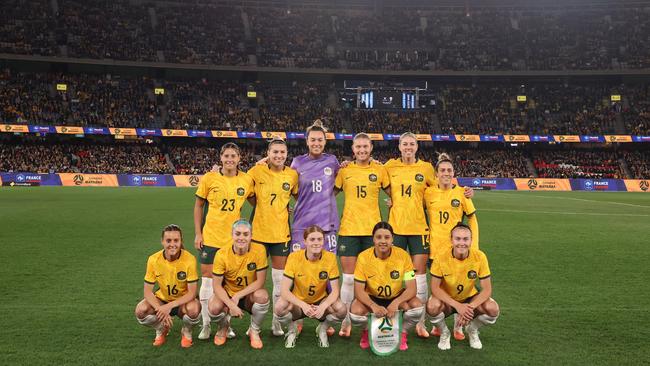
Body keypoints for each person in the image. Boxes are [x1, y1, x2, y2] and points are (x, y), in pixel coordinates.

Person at [384, 133, 473, 338]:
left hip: (419, 230)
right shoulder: (389, 166)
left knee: (419, 276)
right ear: (399, 146)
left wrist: (463, 191)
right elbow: (379, 181)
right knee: (396, 274)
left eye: (412, 144)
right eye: (405, 144)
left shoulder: (425, 168)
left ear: (417, 147)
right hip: (396, 229)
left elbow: (441, 187)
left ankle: (420, 322)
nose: (408, 147)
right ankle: (392, 316)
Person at [194, 142, 255, 340]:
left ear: (239, 158)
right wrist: (198, 233)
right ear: (220, 158)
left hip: (234, 241)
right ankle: (205, 324)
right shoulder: (209, 178)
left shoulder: (246, 180)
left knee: (226, 283)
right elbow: (198, 206)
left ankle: (225, 324)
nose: (230, 159)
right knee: (207, 281)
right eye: (226, 156)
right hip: (211, 237)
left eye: (233, 156)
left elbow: (257, 201)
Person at [334, 132, 390, 337]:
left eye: (365, 147)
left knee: (370, 279)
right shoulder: (345, 170)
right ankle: (346, 322)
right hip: (348, 230)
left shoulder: (380, 169)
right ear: (353, 149)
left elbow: (396, 193)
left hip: (373, 234)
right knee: (348, 279)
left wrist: (392, 203)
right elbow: (327, 195)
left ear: (371, 148)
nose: (362, 150)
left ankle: (369, 321)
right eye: (358, 147)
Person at [247, 137, 299, 336]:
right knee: (255, 282)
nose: (279, 155)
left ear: (287, 155)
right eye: (275, 152)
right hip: (258, 234)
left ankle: (276, 322)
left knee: (279, 282)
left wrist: (287, 209)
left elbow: (298, 197)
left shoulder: (292, 175)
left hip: (280, 234)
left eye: (282, 152)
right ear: (268, 153)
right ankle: (254, 325)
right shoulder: (256, 171)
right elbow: (248, 194)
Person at [424, 153, 479, 340]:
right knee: (438, 290)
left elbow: (472, 218)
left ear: (453, 172)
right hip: (435, 251)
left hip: (458, 251)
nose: (446, 173)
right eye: (442, 170)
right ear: (436, 173)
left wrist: (475, 246)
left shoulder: (462, 193)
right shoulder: (428, 192)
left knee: (459, 289)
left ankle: (458, 327)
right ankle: (438, 326)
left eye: (449, 170)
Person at [348, 221, 424, 351]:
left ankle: (402, 333)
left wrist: (396, 302)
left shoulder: (403, 256)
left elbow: (412, 288)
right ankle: (367, 332)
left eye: (387, 237)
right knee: (355, 313)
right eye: (379, 237)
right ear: (373, 239)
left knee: (416, 308)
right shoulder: (363, 257)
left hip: (396, 296)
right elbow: (358, 290)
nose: (383, 241)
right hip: (373, 297)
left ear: (392, 239)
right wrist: (373, 305)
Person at [426, 223, 499, 350]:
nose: (462, 243)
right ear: (451, 240)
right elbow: (435, 288)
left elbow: (487, 289)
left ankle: (472, 329)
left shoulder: (480, 257)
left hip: (469, 299)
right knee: (432, 307)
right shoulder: (441, 257)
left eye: (466, 239)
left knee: (493, 309)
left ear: (471, 240)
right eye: (458, 239)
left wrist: (469, 308)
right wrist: (458, 306)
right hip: (447, 300)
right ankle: (444, 332)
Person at [274, 225, 347, 348]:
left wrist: (323, 306)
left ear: (323, 241)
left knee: (341, 310)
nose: (316, 243)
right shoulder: (294, 257)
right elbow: (284, 291)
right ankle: (293, 330)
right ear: (305, 241)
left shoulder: (330, 258)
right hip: (299, 303)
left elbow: (335, 291)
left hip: (320, 301)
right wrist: (303, 305)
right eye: (312, 239)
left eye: (319, 239)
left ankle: (322, 329)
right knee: (279, 307)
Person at [135, 224, 201, 348]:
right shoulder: (153, 259)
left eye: (176, 240)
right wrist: (161, 309)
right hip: (162, 300)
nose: (172, 244)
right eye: (168, 240)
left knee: (194, 310)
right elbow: (148, 292)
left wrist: (169, 307)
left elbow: (192, 293)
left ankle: (186, 331)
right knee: (141, 310)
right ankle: (161, 329)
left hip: (182, 302)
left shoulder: (189, 259)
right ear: (162, 242)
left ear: (181, 241)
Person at [208, 219, 269, 349]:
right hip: (227, 294)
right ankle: (223, 328)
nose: (242, 237)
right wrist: (231, 303)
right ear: (232, 234)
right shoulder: (222, 254)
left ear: (251, 235)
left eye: (246, 234)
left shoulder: (259, 250)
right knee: (213, 307)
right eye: (238, 233)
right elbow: (217, 286)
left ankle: (254, 330)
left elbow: (260, 281)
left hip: (248, 294)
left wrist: (238, 296)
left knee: (262, 296)